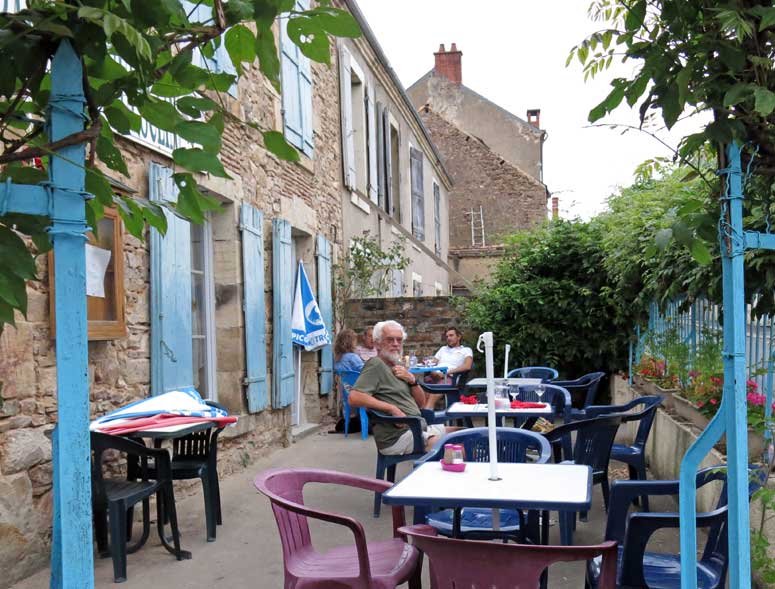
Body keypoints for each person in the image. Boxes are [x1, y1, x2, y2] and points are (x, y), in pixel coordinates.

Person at [348, 320, 457, 455]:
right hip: (397, 437)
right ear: (377, 343)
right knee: (456, 449)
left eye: (399, 340)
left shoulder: (397, 365)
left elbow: (421, 403)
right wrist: (392, 408)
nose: (396, 344)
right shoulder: (376, 364)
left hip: (418, 428)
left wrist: (412, 381)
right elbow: (354, 397)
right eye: (390, 340)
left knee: (463, 433)